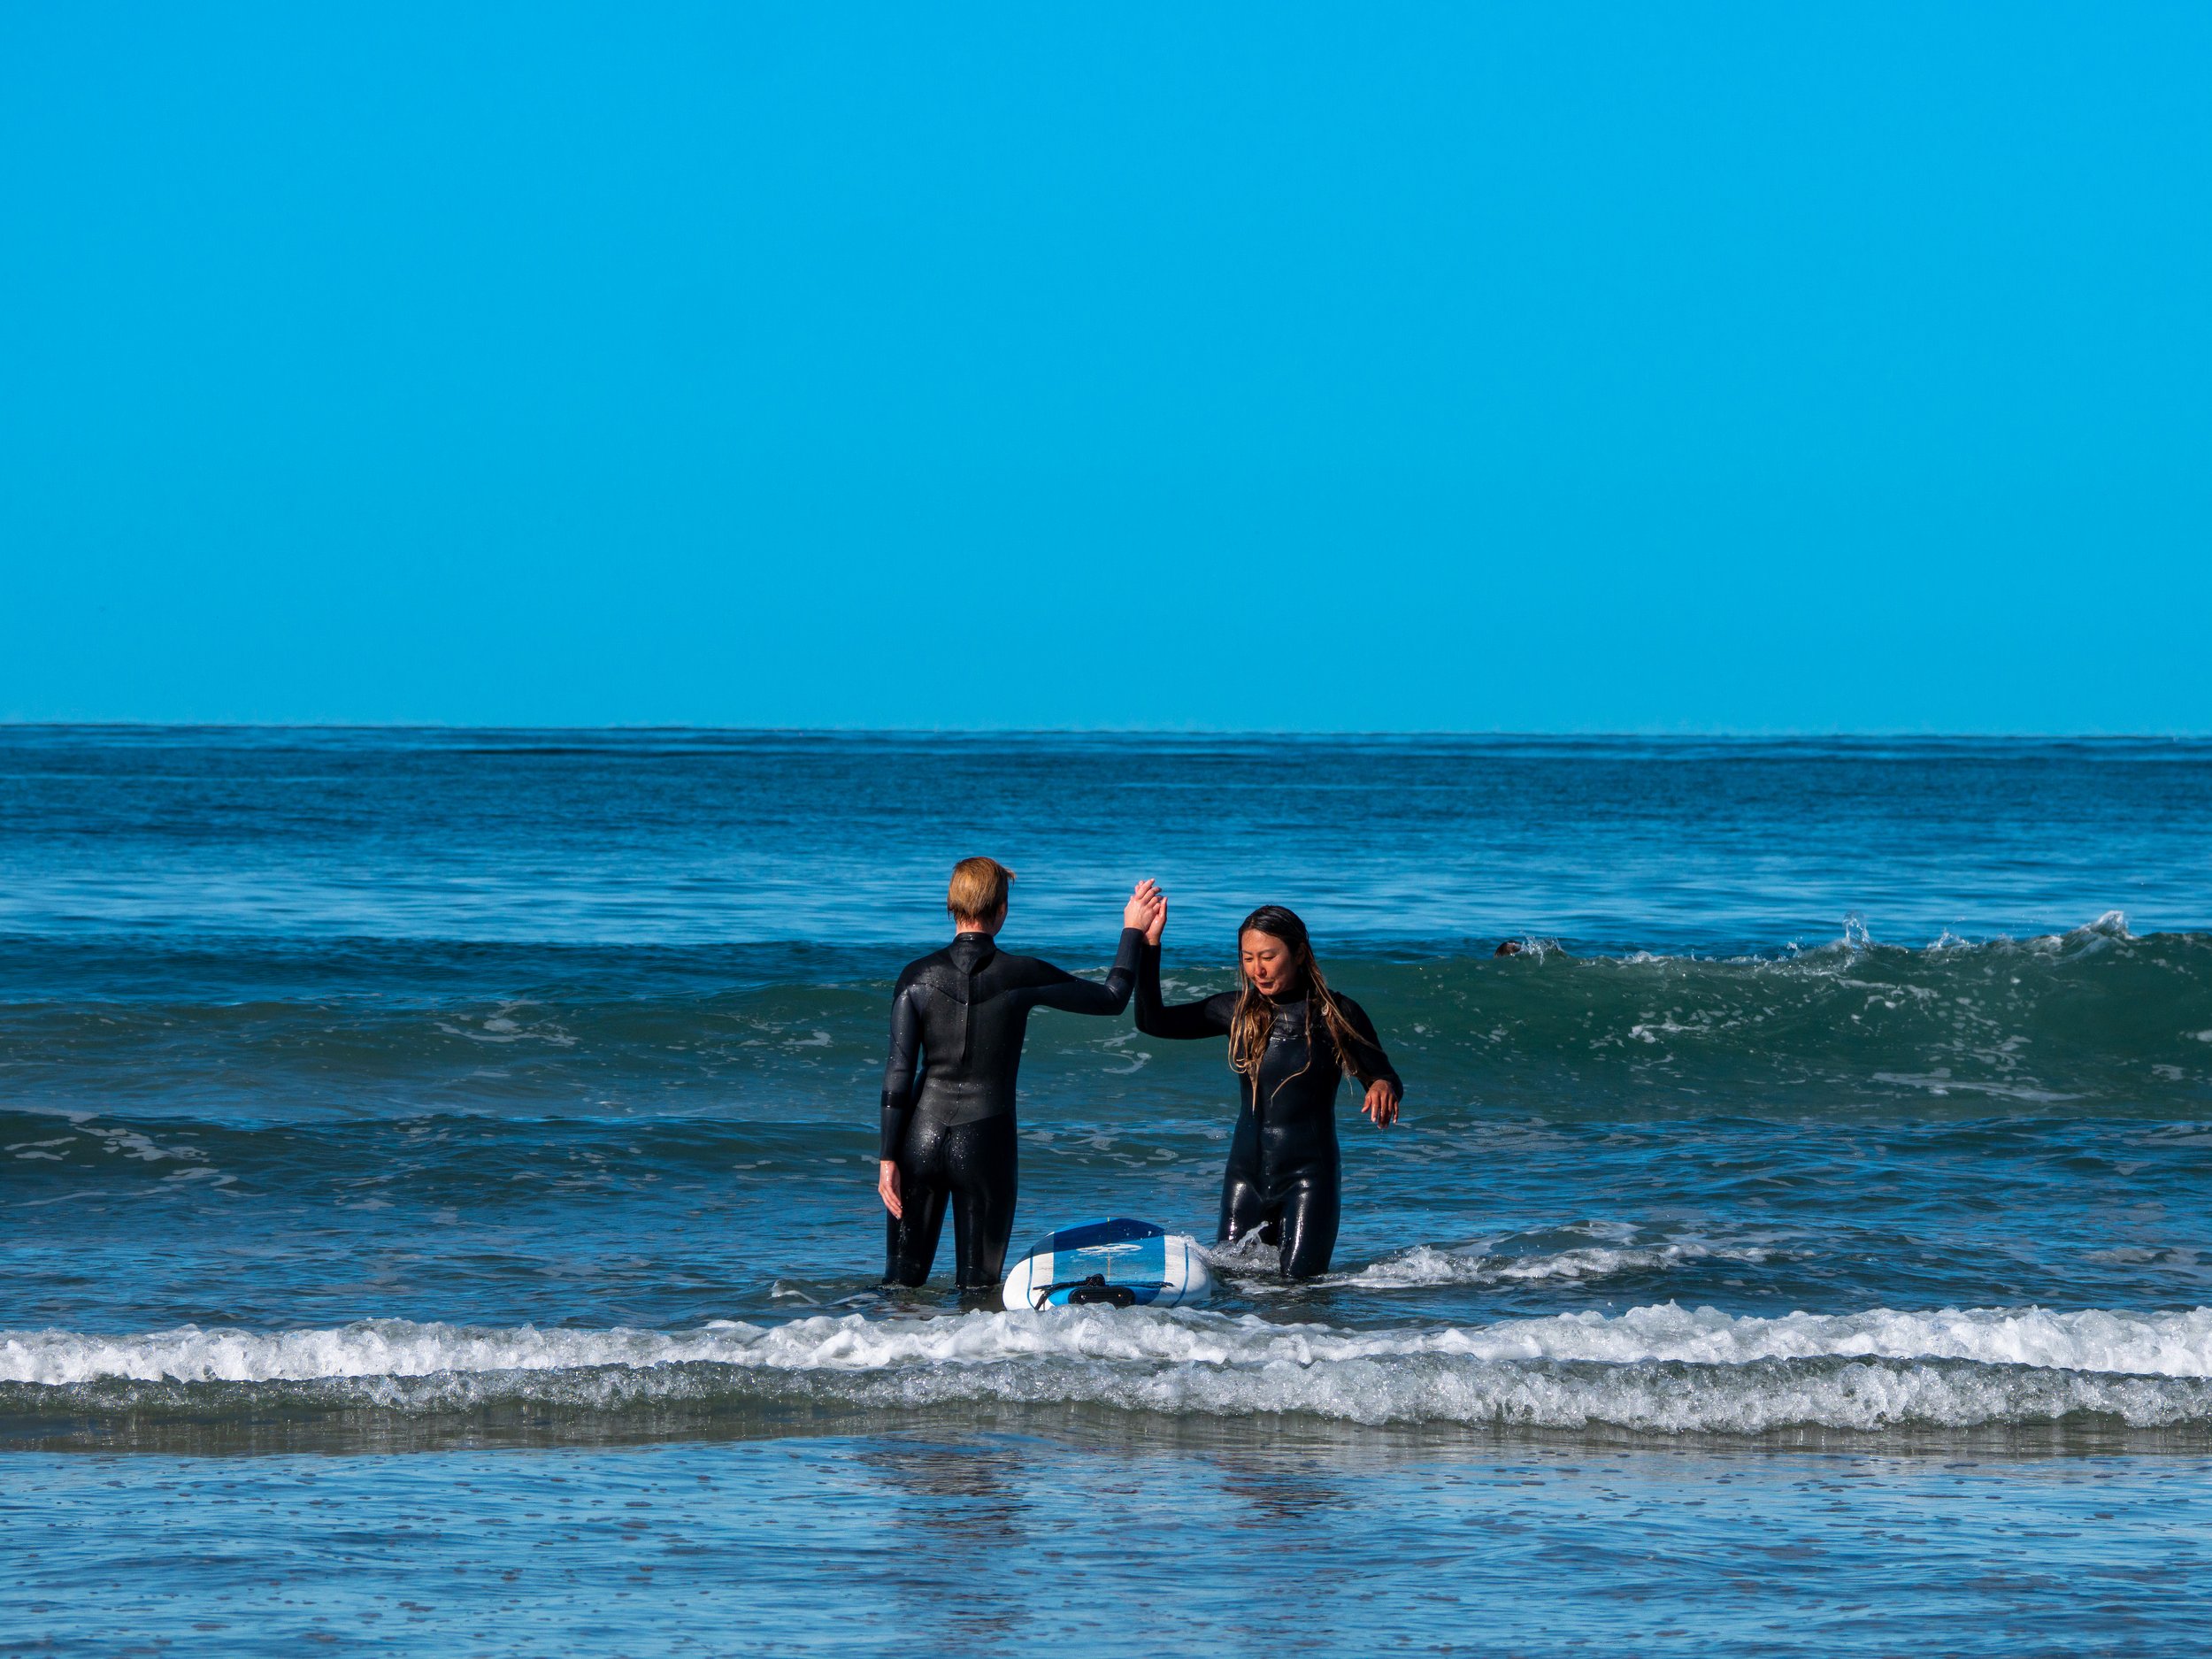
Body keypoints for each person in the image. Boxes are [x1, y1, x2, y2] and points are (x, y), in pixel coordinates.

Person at [879, 856, 1163, 1291]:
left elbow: (898, 1073)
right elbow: (1111, 998)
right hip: (985, 1141)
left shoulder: (915, 976)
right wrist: (1133, 930)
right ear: (1002, 910)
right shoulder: (1021, 973)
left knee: (898, 1286)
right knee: (978, 1290)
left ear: (951, 905)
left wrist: (887, 1159)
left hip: (920, 1138)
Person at [1135, 897, 1401, 1279]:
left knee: (1300, 1292)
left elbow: (1384, 1075)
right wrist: (1148, 946)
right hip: (1246, 1177)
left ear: (1298, 953)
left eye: (1268, 956)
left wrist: (1381, 1086)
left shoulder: (1336, 1015)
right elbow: (1152, 1021)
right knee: (1229, 1284)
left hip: (1309, 1180)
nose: (1257, 970)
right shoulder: (1237, 1011)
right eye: (1247, 958)